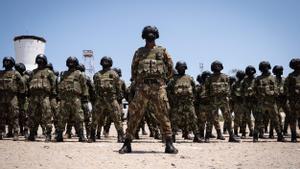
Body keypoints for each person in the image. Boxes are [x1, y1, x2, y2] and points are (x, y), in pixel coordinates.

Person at [119, 26, 178, 154]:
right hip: (142, 88)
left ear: (156, 35)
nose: (150, 35)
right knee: (134, 115)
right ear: (144, 36)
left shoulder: (162, 51)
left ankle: (169, 143)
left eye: (153, 33)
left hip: (158, 88)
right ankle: (127, 143)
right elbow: (133, 70)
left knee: (163, 115)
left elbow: (170, 69)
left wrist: (161, 81)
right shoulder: (139, 52)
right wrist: (140, 83)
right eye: (148, 33)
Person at [89, 56, 124, 143]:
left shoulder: (114, 74)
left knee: (117, 118)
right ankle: (92, 136)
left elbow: (118, 87)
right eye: (104, 61)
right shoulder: (97, 75)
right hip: (100, 99)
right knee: (94, 118)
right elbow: (95, 88)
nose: (105, 63)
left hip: (111, 99)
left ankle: (120, 136)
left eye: (106, 61)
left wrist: (118, 98)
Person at [205, 60, 240, 142]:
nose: (217, 67)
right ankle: (207, 136)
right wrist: (209, 99)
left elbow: (228, 88)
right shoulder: (209, 78)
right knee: (210, 118)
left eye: (218, 65)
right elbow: (206, 90)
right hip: (213, 100)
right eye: (215, 65)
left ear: (221, 67)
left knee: (228, 118)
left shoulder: (225, 77)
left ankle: (231, 136)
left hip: (224, 100)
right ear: (212, 67)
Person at [56, 56, 88, 142]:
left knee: (79, 116)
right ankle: (59, 135)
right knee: (62, 116)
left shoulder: (79, 74)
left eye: (73, 62)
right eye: (69, 62)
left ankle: (81, 135)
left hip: (75, 98)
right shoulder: (64, 74)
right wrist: (59, 96)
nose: (71, 64)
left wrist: (85, 97)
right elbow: (60, 85)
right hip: (65, 98)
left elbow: (83, 86)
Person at [253, 61, 285, 142]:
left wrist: (274, 94)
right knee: (258, 119)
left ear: (269, 67)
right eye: (263, 67)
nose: (265, 68)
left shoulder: (273, 78)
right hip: (261, 102)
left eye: (266, 66)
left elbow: (277, 89)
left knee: (276, 119)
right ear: (260, 68)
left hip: (272, 102)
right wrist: (259, 97)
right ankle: (255, 136)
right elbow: (254, 90)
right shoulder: (257, 79)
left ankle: (280, 135)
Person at [27, 54, 56, 142]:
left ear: (45, 61)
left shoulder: (49, 72)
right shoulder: (33, 72)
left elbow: (54, 84)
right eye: (38, 59)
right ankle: (32, 133)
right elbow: (28, 83)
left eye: (41, 59)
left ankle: (48, 134)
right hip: (33, 97)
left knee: (47, 115)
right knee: (32, 115)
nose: (40, 61)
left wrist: (53, 96)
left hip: (44, 96)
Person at [0, 57, 25, 140]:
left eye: (8, 61)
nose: (7, 63)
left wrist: (20, 93)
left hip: (12, 97)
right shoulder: (1, 73)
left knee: (14, 115)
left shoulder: (16, 73)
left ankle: (16, 133)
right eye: (5, 61)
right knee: (1, 115)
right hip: (2, 96)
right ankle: (1, 132)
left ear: (12, 63)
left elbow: (22, 84)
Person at [284, 58, 300, 142]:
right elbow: (285, 88)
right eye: (296, 64)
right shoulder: (291, 76)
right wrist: (288, 97)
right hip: (293, 101)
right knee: (293, 119)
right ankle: (293, 136)